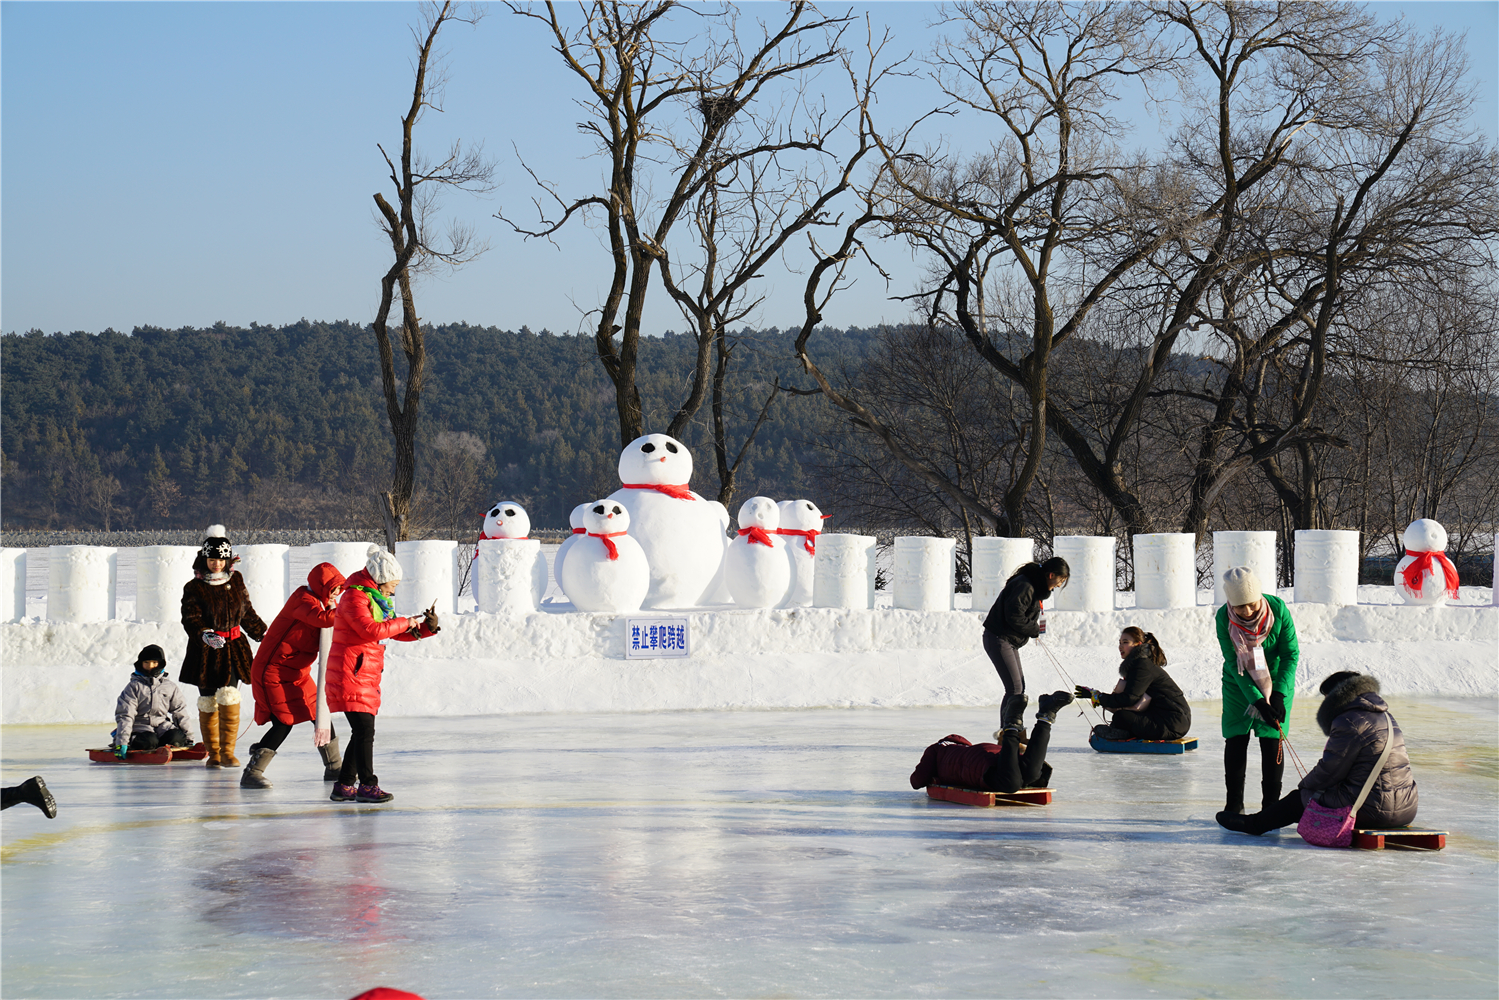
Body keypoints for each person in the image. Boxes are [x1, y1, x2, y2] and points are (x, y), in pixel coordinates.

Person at [1216, 671, 1417, 836]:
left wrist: (1304, 788)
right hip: (1405, 808)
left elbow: (1330, 770)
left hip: (1373, 810)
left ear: (1338, 695)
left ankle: (1254, 824)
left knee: (1300, 799)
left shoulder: (1349, 720)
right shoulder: (1386, 716)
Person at [325, 546, 440, 804]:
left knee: (361, 731)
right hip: (350, 672)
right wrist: (406, 621)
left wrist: (425, 627)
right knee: (364, 730)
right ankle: (367, 785)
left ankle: (344, 785)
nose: (393, 590)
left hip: (363, 674)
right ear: (379, 578)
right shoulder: (355, 597)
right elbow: (371, 630)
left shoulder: (374, 599)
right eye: (392, 584)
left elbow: (393, 630)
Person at [242, 562, 348, 789]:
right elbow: (322, 619)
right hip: (273, 671)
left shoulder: (324, 603)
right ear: (321, 587)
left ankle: (334, 768)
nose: (338, 593)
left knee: (320, 714)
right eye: (334, 588)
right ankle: (253, 772)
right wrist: (353, 608)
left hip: (297, 672)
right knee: (284, 721)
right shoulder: (302, 601)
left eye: (340, 588)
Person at [179, 525, 267, 769]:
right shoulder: (194, 587)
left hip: (232, 648)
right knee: (208, 700)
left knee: (229, 696)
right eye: (212, 559)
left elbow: (246, 610)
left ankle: (228, 752)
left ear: (227, 560)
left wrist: (262, 633)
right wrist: (204, 634)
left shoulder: (235, 579)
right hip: (205, 651)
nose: (216, 564)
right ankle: (214, 753)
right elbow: (190, 617)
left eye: (221, 559)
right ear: (204, 559)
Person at [1216, 566, 1298, 814]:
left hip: (1276, 680)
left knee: (1273, 738)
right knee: (1236, 738)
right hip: (1238, 682)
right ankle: (1234, 805)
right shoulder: (1223, 618)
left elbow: (1290, 654)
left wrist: (1279, 694)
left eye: (1251, 604)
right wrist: (1256, 699)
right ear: (1231, 602)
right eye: (1240, 607)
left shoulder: (1278, 610)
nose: (1248, 611)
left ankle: (1271, 807)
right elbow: (1233, 662)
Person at [909, 691, 1074, 794]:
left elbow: (917, 781)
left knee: (1010, 783)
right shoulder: (967, 748)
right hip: (991, 754)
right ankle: (1046, 715)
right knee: (1031, 774)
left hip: (980, 764)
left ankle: (1012, 724)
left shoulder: (936, 749)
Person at [982, 556, 1070, 738]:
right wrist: (1035, 629)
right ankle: (1007, 733)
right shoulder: (1025, 586)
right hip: (999, 638)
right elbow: (1014, 615)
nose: (1059, 585)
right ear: (1051, 575)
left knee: (1019, 687)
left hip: (1008, 640)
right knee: (1014, 688)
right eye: (1060, 581)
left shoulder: (1033, 586)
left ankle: (1014, 730)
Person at [1076, 628, 1192, 741]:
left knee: (1122, 717)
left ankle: (1122, 734)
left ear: (1138, 644)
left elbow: (1129, 698)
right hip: (1171, 720)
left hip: (1172, 723)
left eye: (1125, 642)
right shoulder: (1141, 664)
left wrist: (1099, 697)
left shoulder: (1142, 666)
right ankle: (1122, 731)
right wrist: (1096, 696)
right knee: (1122, 716)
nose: (1120, 646)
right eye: (1120, 642)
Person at [113, 643, 195, 756]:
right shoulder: (134, 687)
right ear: (141, 664)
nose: (150, 666)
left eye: (154, 662)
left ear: (160, 664)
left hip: (161, 726)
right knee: (149, 741)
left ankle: (162, 746)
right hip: (140, 727)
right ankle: (133, 742)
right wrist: (121, 742)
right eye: (146, 662)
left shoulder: (170, 687)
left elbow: (180, 712)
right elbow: (125, 714)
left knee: (176, 738)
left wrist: (189, 738)